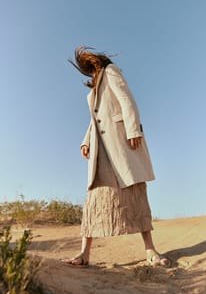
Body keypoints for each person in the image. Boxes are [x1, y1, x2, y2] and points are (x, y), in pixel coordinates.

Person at [64, 46, 171, 268]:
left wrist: (133, 130)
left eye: (88, 66)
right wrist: (87, 141)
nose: (88, 71)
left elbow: (127, 100)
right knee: (94, 196)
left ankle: (150, 249)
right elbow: (96, 119)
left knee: (134, 190)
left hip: (120, 142)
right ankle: (84, 253)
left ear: (95, 62)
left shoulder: (110, 71)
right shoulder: (95, 87)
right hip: (101, 149)